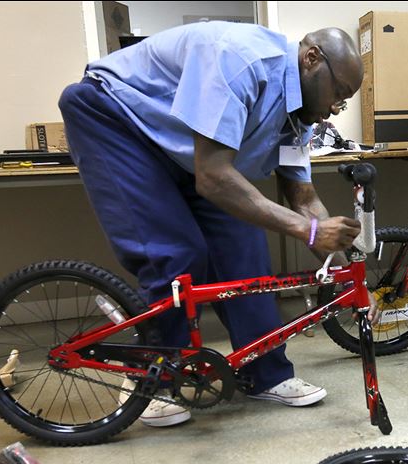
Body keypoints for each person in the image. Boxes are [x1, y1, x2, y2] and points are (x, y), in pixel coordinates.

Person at [59, 22, 375, 426]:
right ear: (312, 59)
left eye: (343, 102)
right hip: (117, 119)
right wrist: (308, 231)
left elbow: (304, 199)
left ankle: (265, 373)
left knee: (245, 249)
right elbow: (212, 177)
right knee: (174, 254)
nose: (335, 108)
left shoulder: (299, 115)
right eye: (338, 93)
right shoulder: (242, 62)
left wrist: (346, 275)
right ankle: (152, 380)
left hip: (185, 153)